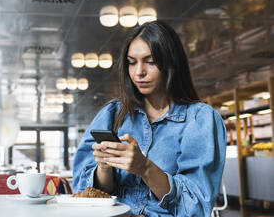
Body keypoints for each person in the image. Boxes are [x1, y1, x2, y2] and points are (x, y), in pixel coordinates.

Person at [72, 20, 227, 216]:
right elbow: (82, 191)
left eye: (150, 61)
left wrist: (144, 167)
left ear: (171, 62)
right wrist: (104, 168)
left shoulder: (200, 119)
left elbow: (194, 207)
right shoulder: (112, 114)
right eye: (131, 62)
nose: (139, 72)